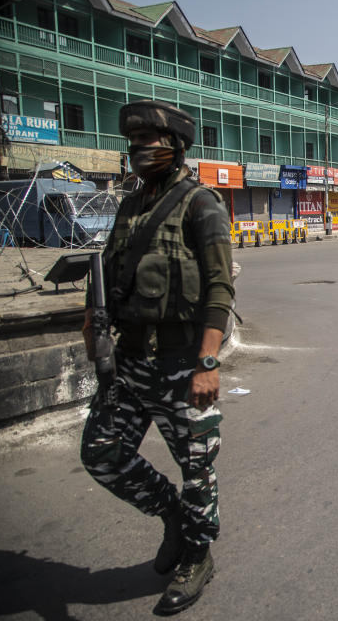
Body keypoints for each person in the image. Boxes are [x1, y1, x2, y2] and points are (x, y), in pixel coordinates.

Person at [80, 100, 234, 615]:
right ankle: (171, 514)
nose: (141, 148)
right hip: (129, 362)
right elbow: (107, 276)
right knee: (101, 452)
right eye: (135, 140)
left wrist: (208, 363)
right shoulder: (130, 207)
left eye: (152, 139)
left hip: (181, 363)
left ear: (177, 147)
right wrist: (93, 323)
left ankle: (198, 553)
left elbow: (219, 290)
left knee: (197, 469)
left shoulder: (201, 204)